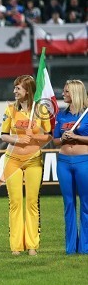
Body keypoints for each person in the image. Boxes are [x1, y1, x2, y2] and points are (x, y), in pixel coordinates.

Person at [0, 75, 52, 256]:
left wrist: (35, 138)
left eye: (18, 88)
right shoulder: (9, 110)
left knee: (31, 202)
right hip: (12, 160)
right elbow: (3, 135)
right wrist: (18, 138)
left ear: (28, 91)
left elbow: (49, 135)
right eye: (15, 88)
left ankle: (32, 245)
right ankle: (16, 246)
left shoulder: (41, 110)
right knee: (15, 203)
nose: (15, 91)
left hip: (34, 161)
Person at [53, 80, 88, 254]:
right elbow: (56, 140)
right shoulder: (61, 115)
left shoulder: (87, 114)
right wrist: (64, 139)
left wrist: (76, 137)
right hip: (64, 163)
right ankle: (70, 247)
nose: (63, 94)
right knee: (68, 204)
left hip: (84, 162)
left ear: (75, 93)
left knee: (86, 205)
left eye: (66, 91)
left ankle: (84, 247)